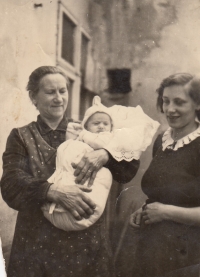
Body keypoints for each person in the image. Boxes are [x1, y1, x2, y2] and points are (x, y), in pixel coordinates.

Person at [1, 66, 140, 277]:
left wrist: (105, 154)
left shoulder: (88, 129)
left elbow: (129, 168)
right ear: (33, 97)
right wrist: (53, 191)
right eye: (50, 92)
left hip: (86, 248)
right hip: (37, 249)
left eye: (63, 91)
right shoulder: (22, 136)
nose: (58, 98)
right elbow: (11, 184)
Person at [42, 96, 159, 232]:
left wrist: (107, 153)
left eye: (105, 124)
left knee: (101, 180)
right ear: (86, 126)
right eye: (96, 123)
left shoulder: (112, 140)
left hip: (92, 193)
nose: (101, 126)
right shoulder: (78, 134)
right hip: (64, 188)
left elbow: (128, 168)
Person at [130, 73, 200, 277]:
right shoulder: (162, 140)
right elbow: (164, 191)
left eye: (179, 102)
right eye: (166, 101)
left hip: (189, 252)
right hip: (152, 246)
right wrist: (145, 210)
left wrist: (166, 212)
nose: (170, 109)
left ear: (197, 104)